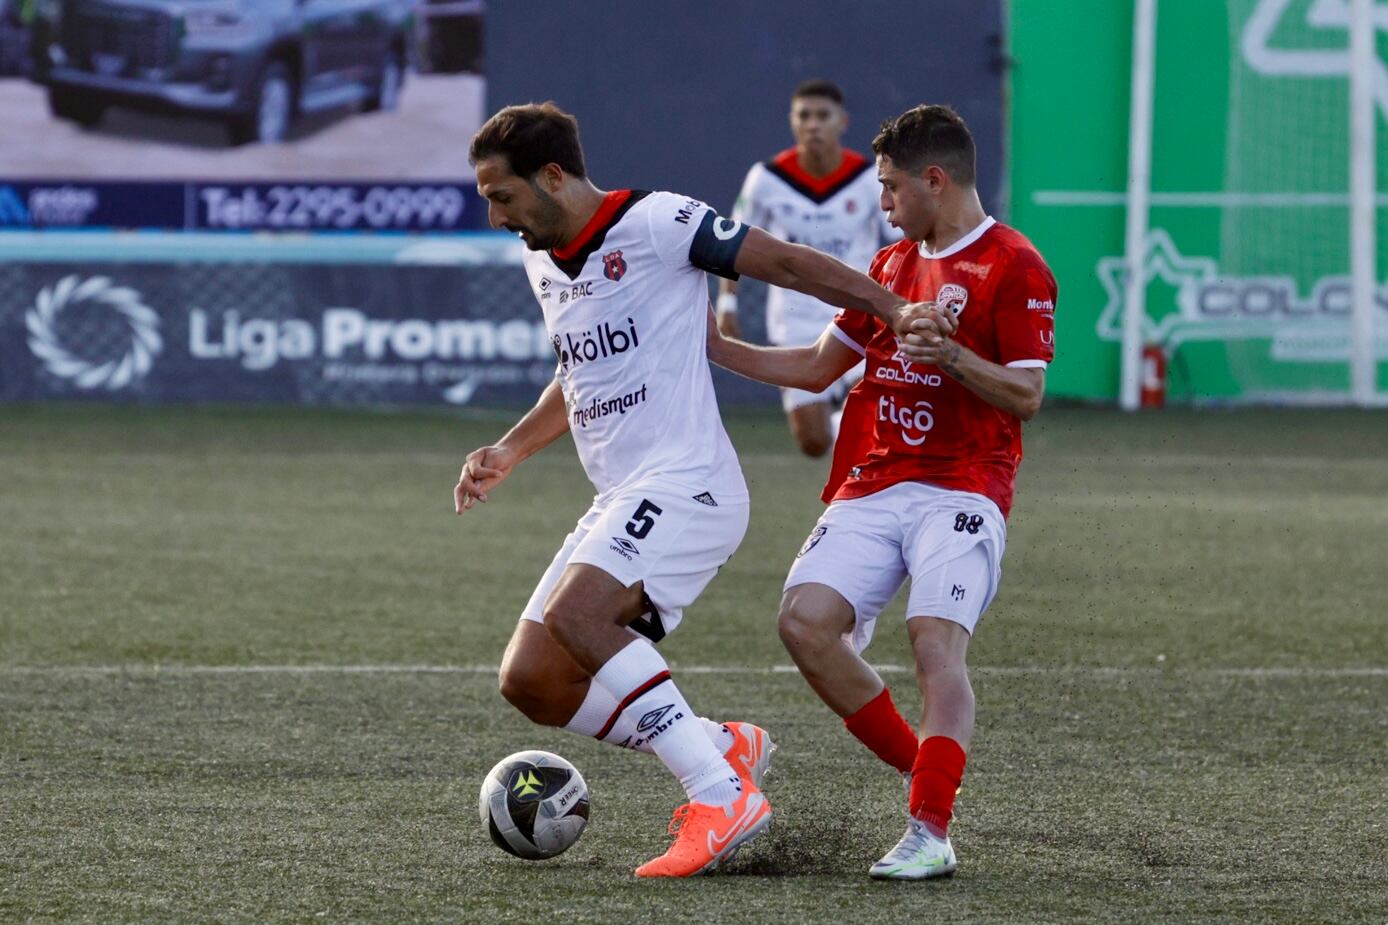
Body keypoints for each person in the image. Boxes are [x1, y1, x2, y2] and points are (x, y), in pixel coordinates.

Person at [454, 101, 942, 878]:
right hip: (621, 494)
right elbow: (576, 372)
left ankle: (719, 792)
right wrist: (511, 449)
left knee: (582, 615)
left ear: (552, 176)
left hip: (691, 486)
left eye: (501, 195)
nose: (493, 215)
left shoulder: (656, 221)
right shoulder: (541, 256)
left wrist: (887, 304)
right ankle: (722, 743)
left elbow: (781, 261)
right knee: (533, 680)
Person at [708, 103, 1057, 880]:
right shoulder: (891, 268)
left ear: (936, 180)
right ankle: (924, 766)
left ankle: (929, 829)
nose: (884, 203)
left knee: (934, 641)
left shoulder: (1015, 264)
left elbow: (1027, 396)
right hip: (875, 478)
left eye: (893, 187)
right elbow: (814, 368)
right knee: (804, 623)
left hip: (962, 486)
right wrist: (716, 347)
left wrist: (954, 356)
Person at [716, 79, 897, 458]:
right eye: (804, 116)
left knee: (873, 420)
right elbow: (732, 239)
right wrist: (728, 303)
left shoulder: (868, 179)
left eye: (822, 116)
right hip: (795, 318)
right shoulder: (767, 178)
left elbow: (899, 241)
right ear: (792, 122)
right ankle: (840, 426)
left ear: (842, 122)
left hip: (858, 313)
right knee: (814, 443)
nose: (813, 124)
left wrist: (896, 301)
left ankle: (864, 486)